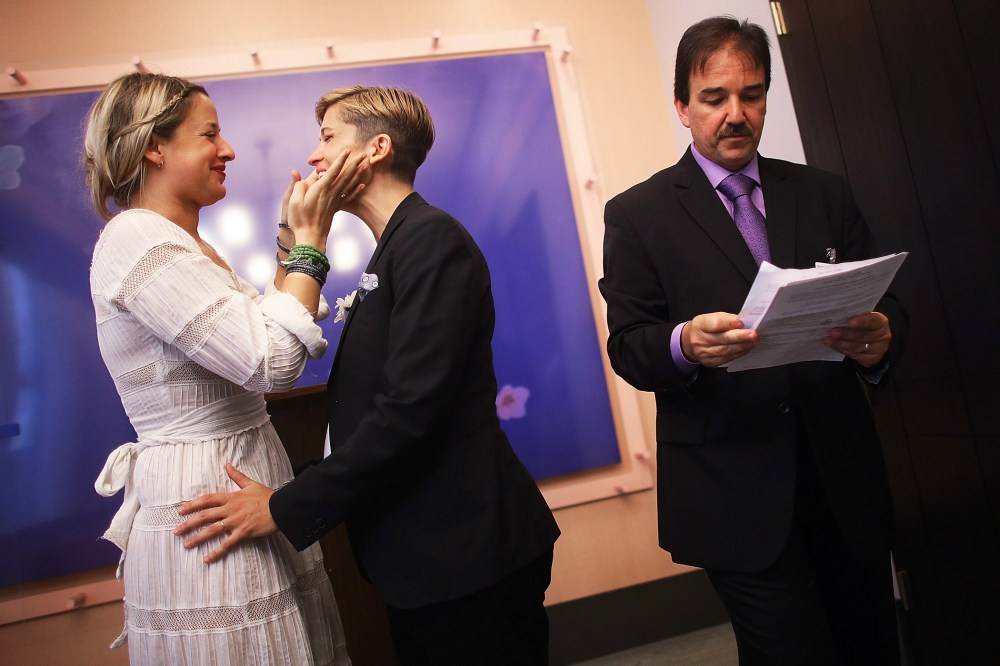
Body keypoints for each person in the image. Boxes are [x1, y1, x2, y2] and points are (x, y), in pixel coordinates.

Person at [175, 85, 561, 664]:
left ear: (377, 148)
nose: (314, 155)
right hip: (428, 552)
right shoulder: (396, 246)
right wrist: (293, 238)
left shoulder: (432, 240)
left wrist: (283, 506)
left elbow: (409, 412)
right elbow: (366, 414)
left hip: (468, 549)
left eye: (328, 137)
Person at [599, 16, 908, 665]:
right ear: (682, 106)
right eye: (714, 98)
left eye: (752, 95)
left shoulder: (824, 193)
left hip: (842, 482)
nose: (736, 115)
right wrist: (685, 343)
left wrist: (882, 337)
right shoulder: (637, 214)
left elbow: (886, 304)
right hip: (731, 489)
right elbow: (628, 345)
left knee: (873, 646)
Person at [85, 71, 366, 664]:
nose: (228, 149)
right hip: (205, 501)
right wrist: (312, 242)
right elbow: (272, 360)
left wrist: (290, 238)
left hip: (236, 479)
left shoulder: (183, 242)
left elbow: (259, 327)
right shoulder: (139, 238)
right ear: (154, 146)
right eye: (209, 134)